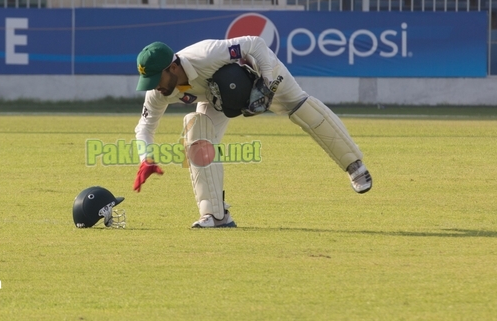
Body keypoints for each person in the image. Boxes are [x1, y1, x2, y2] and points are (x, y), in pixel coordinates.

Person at [132, 37, 372, 228]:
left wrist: (266, 81)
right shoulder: (159, 91)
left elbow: (255, 44)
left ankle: (355, 165)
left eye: (156, 79)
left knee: (301, 108)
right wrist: (146, 159)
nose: (155, 87)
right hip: (219, 99)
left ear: (173, 67)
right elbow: (145, 126)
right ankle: (216, 215)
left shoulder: (205, 54)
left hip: (262, 72)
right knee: (197, 131)